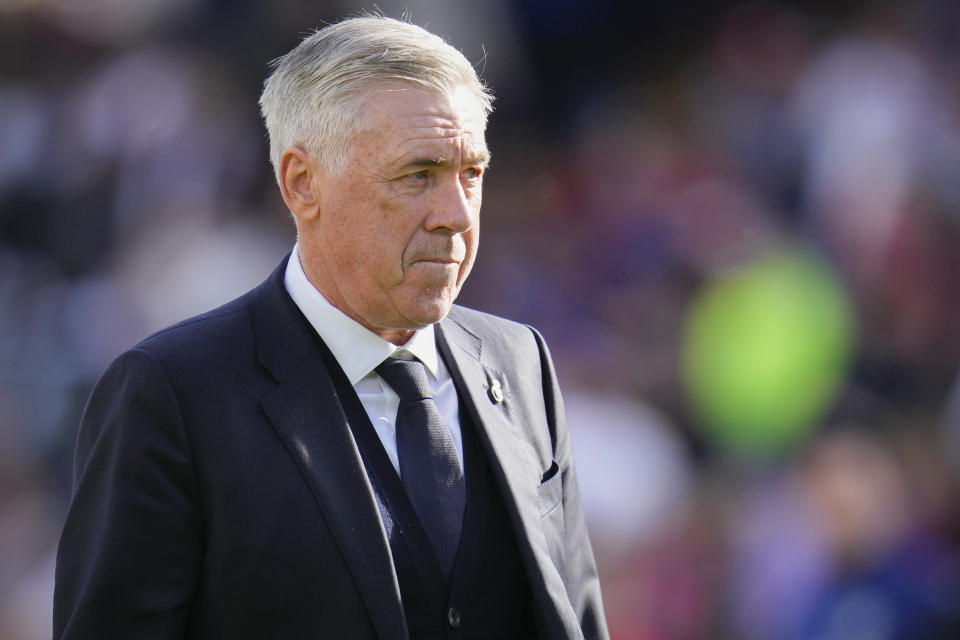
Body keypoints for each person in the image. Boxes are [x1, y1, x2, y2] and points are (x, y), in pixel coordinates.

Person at [53, 15, 608, 640]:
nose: (455, 213)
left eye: (471, 174)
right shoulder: (172, 393)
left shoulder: (520, 363)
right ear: (302, 183)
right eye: (416, 175)